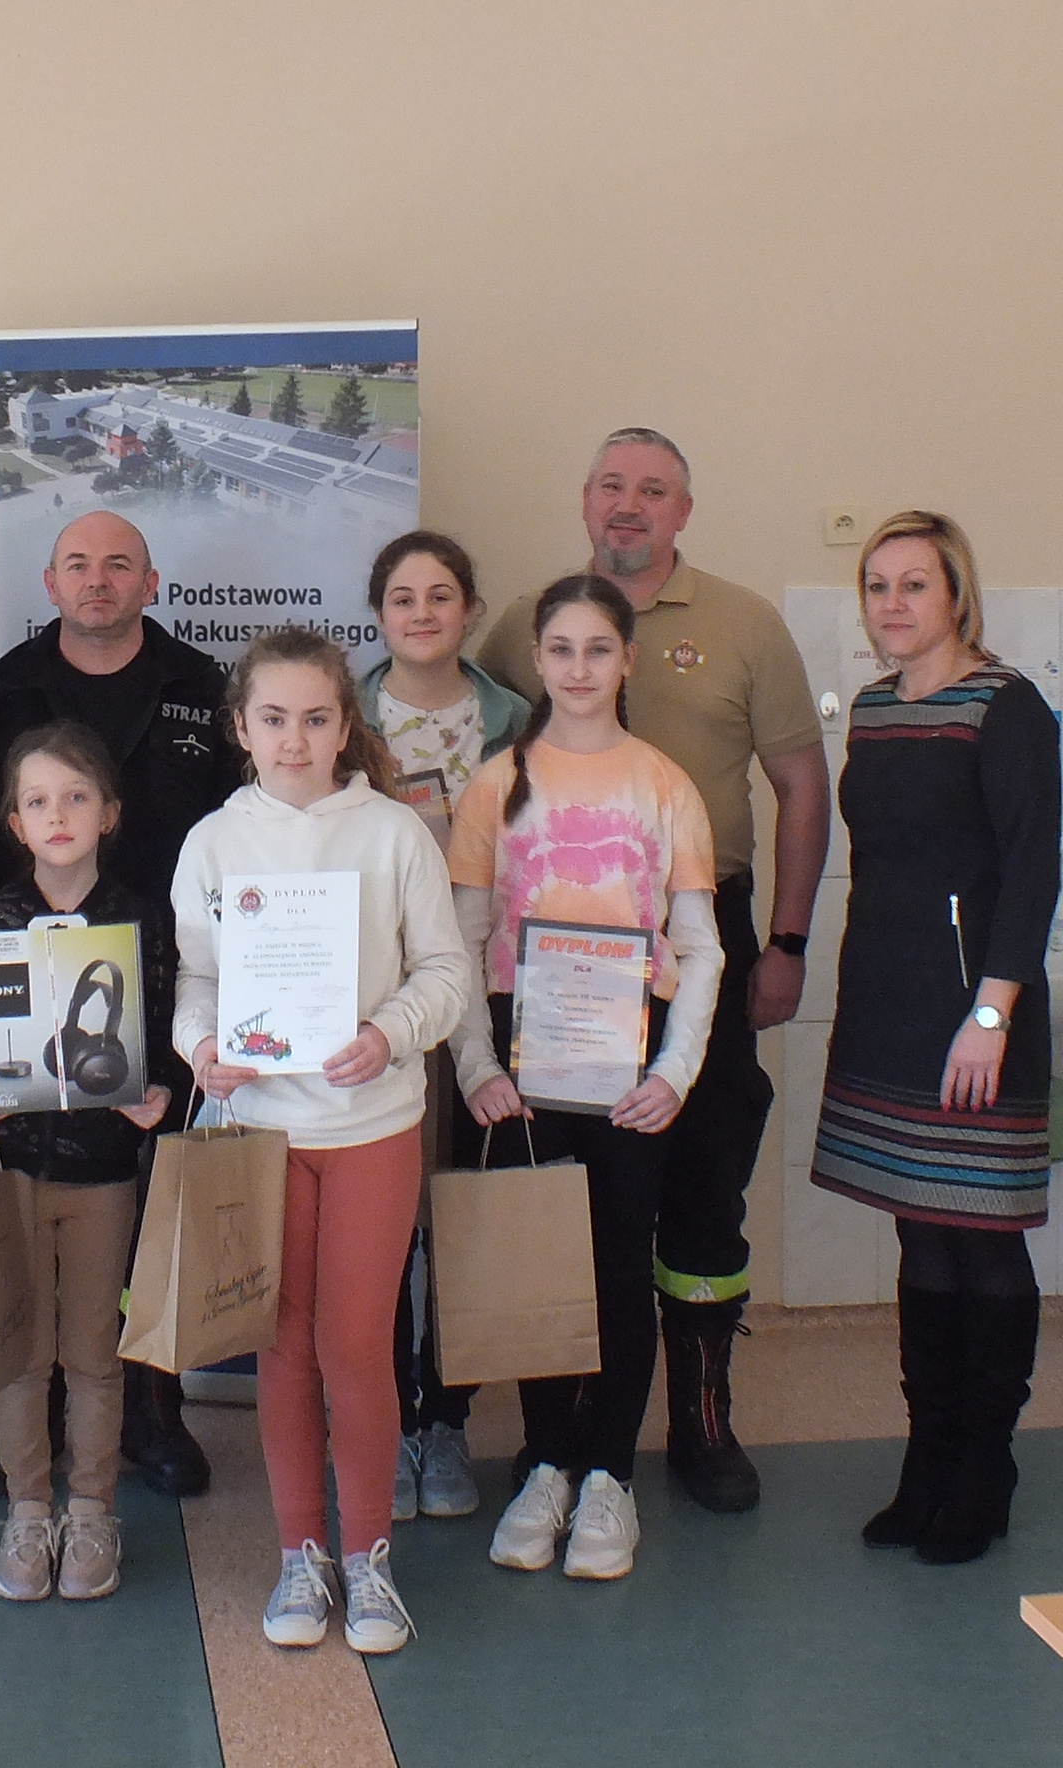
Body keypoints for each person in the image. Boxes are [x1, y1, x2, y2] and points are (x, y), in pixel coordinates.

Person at [478, 427, 827, 1513]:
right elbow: (476, 751)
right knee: (570, 1197)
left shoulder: (746, 624)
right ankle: (563, 1439)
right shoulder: (525, 621)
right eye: (612, 486)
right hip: (551, 961)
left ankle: (702, 1417)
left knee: (704, 1174)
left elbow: (803, 785)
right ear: (586, 499)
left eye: (654, 490)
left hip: (699, 933)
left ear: (684, 510)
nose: (629, 505)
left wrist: (789, 940)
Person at [173, 627, 466, 1657]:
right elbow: (196, 979)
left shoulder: (393, 834)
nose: (293, 740)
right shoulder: (213, 842)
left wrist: (390, 1032)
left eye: (314, 718)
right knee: (284, 1347)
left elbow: (445, 972)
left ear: (347, 726)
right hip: (260, 1131)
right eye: (272, 719)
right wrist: (202, 1047)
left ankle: (369, 1555)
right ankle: (303, 1552)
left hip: (371, 1125)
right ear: (239, 727)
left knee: (354, 1346)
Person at [0, 509, 236, 1496]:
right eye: (78, 564)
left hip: (173, 983)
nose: (97, 580)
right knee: (37, 1236)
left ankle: (151, 1407)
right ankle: (35, 1419)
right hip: (33, 991)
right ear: (50, 583)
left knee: (149, 1218)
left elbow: (235, 830)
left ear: (151, 584)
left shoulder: (203, 688)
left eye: (119, 565)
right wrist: (29, 947)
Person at [449, 574, 722, 1581]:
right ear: (537, 660)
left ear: (627, 660)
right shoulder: (496, 785)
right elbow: (461, 940)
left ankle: (609, 1475)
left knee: (615, 1265)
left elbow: (700, 946)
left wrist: (675, 1072)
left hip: (628, 1054)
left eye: (597, 649)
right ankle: (546, 1465)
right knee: (536, 1265)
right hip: (521, 1056)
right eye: (559, 650)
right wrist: (476, 1064)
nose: (577, 668)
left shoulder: (665, 785)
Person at [812, 512, 1056, 1566]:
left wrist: (992, 1015)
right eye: (878, 585)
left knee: (982, 1237)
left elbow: (1031, 872)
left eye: (915, 583)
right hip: (890, 1008)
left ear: (957, 593)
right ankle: (929, 1457)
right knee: (920, 1234)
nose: (894, 603)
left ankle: (985, 1465)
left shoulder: (1005, 707)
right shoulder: (872, 710)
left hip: (977, 1015)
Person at [0, 722, 178, 1605]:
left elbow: (163, 1028)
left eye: (77, 797)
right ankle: (28, 1508)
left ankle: (91, 1510)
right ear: (15, 822)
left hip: (103, 1171)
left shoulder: (137, 917)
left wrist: (157, 1091)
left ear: (109, 813)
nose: (58, 814)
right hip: (13, 1166)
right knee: (20, 1349)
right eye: (38, 801)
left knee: (91, 1351)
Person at [355, 529, 529, 1524]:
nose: (422, 613)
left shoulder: (516, 723)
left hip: (489, 997)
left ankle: (447, 1420)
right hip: (375, 1002)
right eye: (402, 598)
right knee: (382, 1223)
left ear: (469, 610)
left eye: (440, 596)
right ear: (378, 614)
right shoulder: (344, 721)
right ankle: (386, 1419)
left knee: (461, 1213)